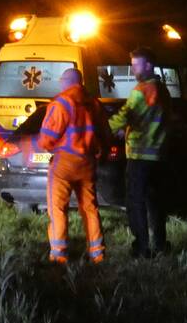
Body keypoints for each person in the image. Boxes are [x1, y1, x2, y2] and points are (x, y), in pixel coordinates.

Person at [38, 68, 109, 264]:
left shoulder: (61, 103)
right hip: (87, 162)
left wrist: (49, 148)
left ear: (64, 81)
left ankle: (59, 255)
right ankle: (98, 254)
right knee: (90, 208)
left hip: (64, 163)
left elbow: (46, 138)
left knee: (58, 208)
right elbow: (105, 133)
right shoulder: (94, 104)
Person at [108, 47, 171, 258]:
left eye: (137, 64)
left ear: (149, 65)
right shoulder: (162, 90)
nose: (133, 69)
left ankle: (142, 249)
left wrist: (103, 126)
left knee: (135, 202)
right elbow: (147, 119)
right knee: (156, 203)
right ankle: (160, 244)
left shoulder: (141, 90)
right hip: (159, 155)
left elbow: (127, 114)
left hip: (139, 156)